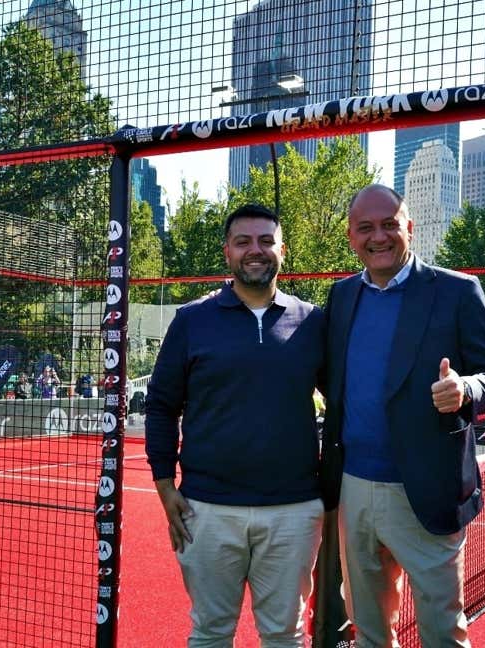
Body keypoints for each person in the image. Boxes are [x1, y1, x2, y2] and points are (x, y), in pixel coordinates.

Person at [322, 184, 485, 647]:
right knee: (367, 629)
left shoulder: (456, 291)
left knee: (441, 632)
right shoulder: (341, 297)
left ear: (410, 227)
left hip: (428, 492)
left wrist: (466, 389)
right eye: (366, 227)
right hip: (353, 488)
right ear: (351, 237)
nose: (379, 236)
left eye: (390, 224)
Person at [145, 204, 326, 647]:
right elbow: (162, 406)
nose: (255, 251)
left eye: (266, 241)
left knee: (285, 634)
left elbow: (345, 401)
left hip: (294, 510)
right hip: (207, 510)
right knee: (210, 633)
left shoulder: (313, 321)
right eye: (243, 241)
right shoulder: (192, 320)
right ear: (227, 252)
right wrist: (165, 485)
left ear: (283, 250)